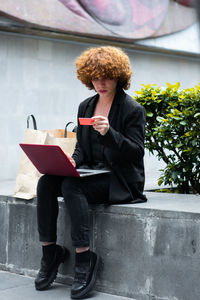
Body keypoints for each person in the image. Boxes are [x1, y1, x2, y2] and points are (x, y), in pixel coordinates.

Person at [34, 46, 147, 299]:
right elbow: (81, 148)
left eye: (106, 76)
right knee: (46, 182)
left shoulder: (132, 109)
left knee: (72, 186)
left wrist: (110, 133)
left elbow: (136, 153)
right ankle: (50, 253)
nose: (101, 83)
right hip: (90, 172)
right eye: (95, 77)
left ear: (118, 76)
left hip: (119, 179)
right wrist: (72, 161)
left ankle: (85, 259)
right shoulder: (86, 106)